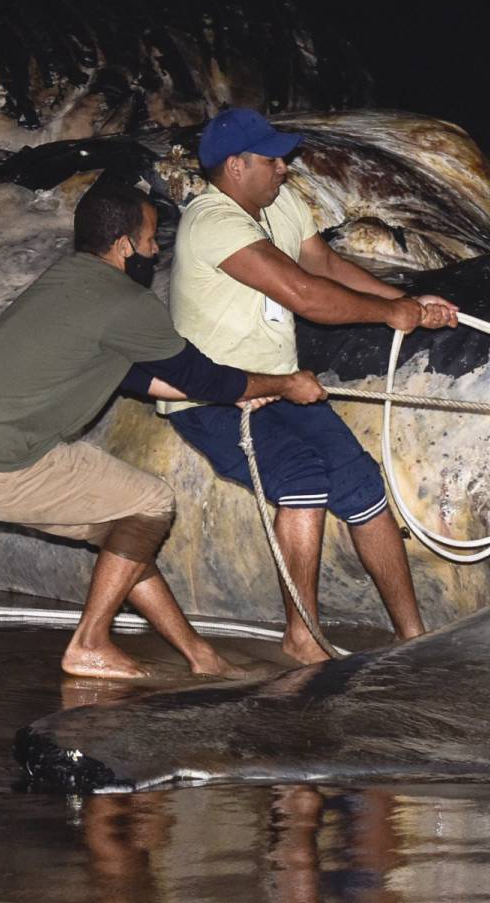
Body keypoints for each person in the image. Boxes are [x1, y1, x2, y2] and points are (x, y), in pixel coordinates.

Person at [0, 178, 327, 681]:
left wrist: (254, 388)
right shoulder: (125, 302)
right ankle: (89, 643)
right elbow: (202, 377)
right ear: (123, 246)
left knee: (125, 533)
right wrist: (283, 383)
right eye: (149, 239)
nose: (153, 249)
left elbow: (135, 373)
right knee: (149, 504)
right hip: (7, 463)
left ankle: (198, 655)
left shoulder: (69, 280)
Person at [162, 107, 459, 664]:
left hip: (282, 386)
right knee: (302, 477)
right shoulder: (213, 220)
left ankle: (413, 635)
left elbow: (321, 263)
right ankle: (302, 636)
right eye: (272, 159)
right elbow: (304, 295)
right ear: (235, 165)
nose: (285, 167)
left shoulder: (282, 201)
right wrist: (389, 314)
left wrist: (408, 303)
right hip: (217, 395)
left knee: (364, 487)